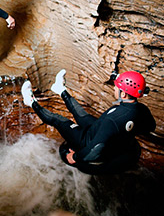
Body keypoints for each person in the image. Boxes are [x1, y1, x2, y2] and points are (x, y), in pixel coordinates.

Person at [21, 70, 156, 174]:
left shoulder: (113, 120)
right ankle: (60, 89)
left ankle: (31, 101)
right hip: (100, 129)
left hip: (86, 140)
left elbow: (94, 149)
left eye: (117, 87)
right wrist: (126, 131)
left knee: (59, 120)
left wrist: (76, 157)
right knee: (82, 115)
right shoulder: (141, 109)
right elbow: (150, 127)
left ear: (124, 94)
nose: (115, 88)